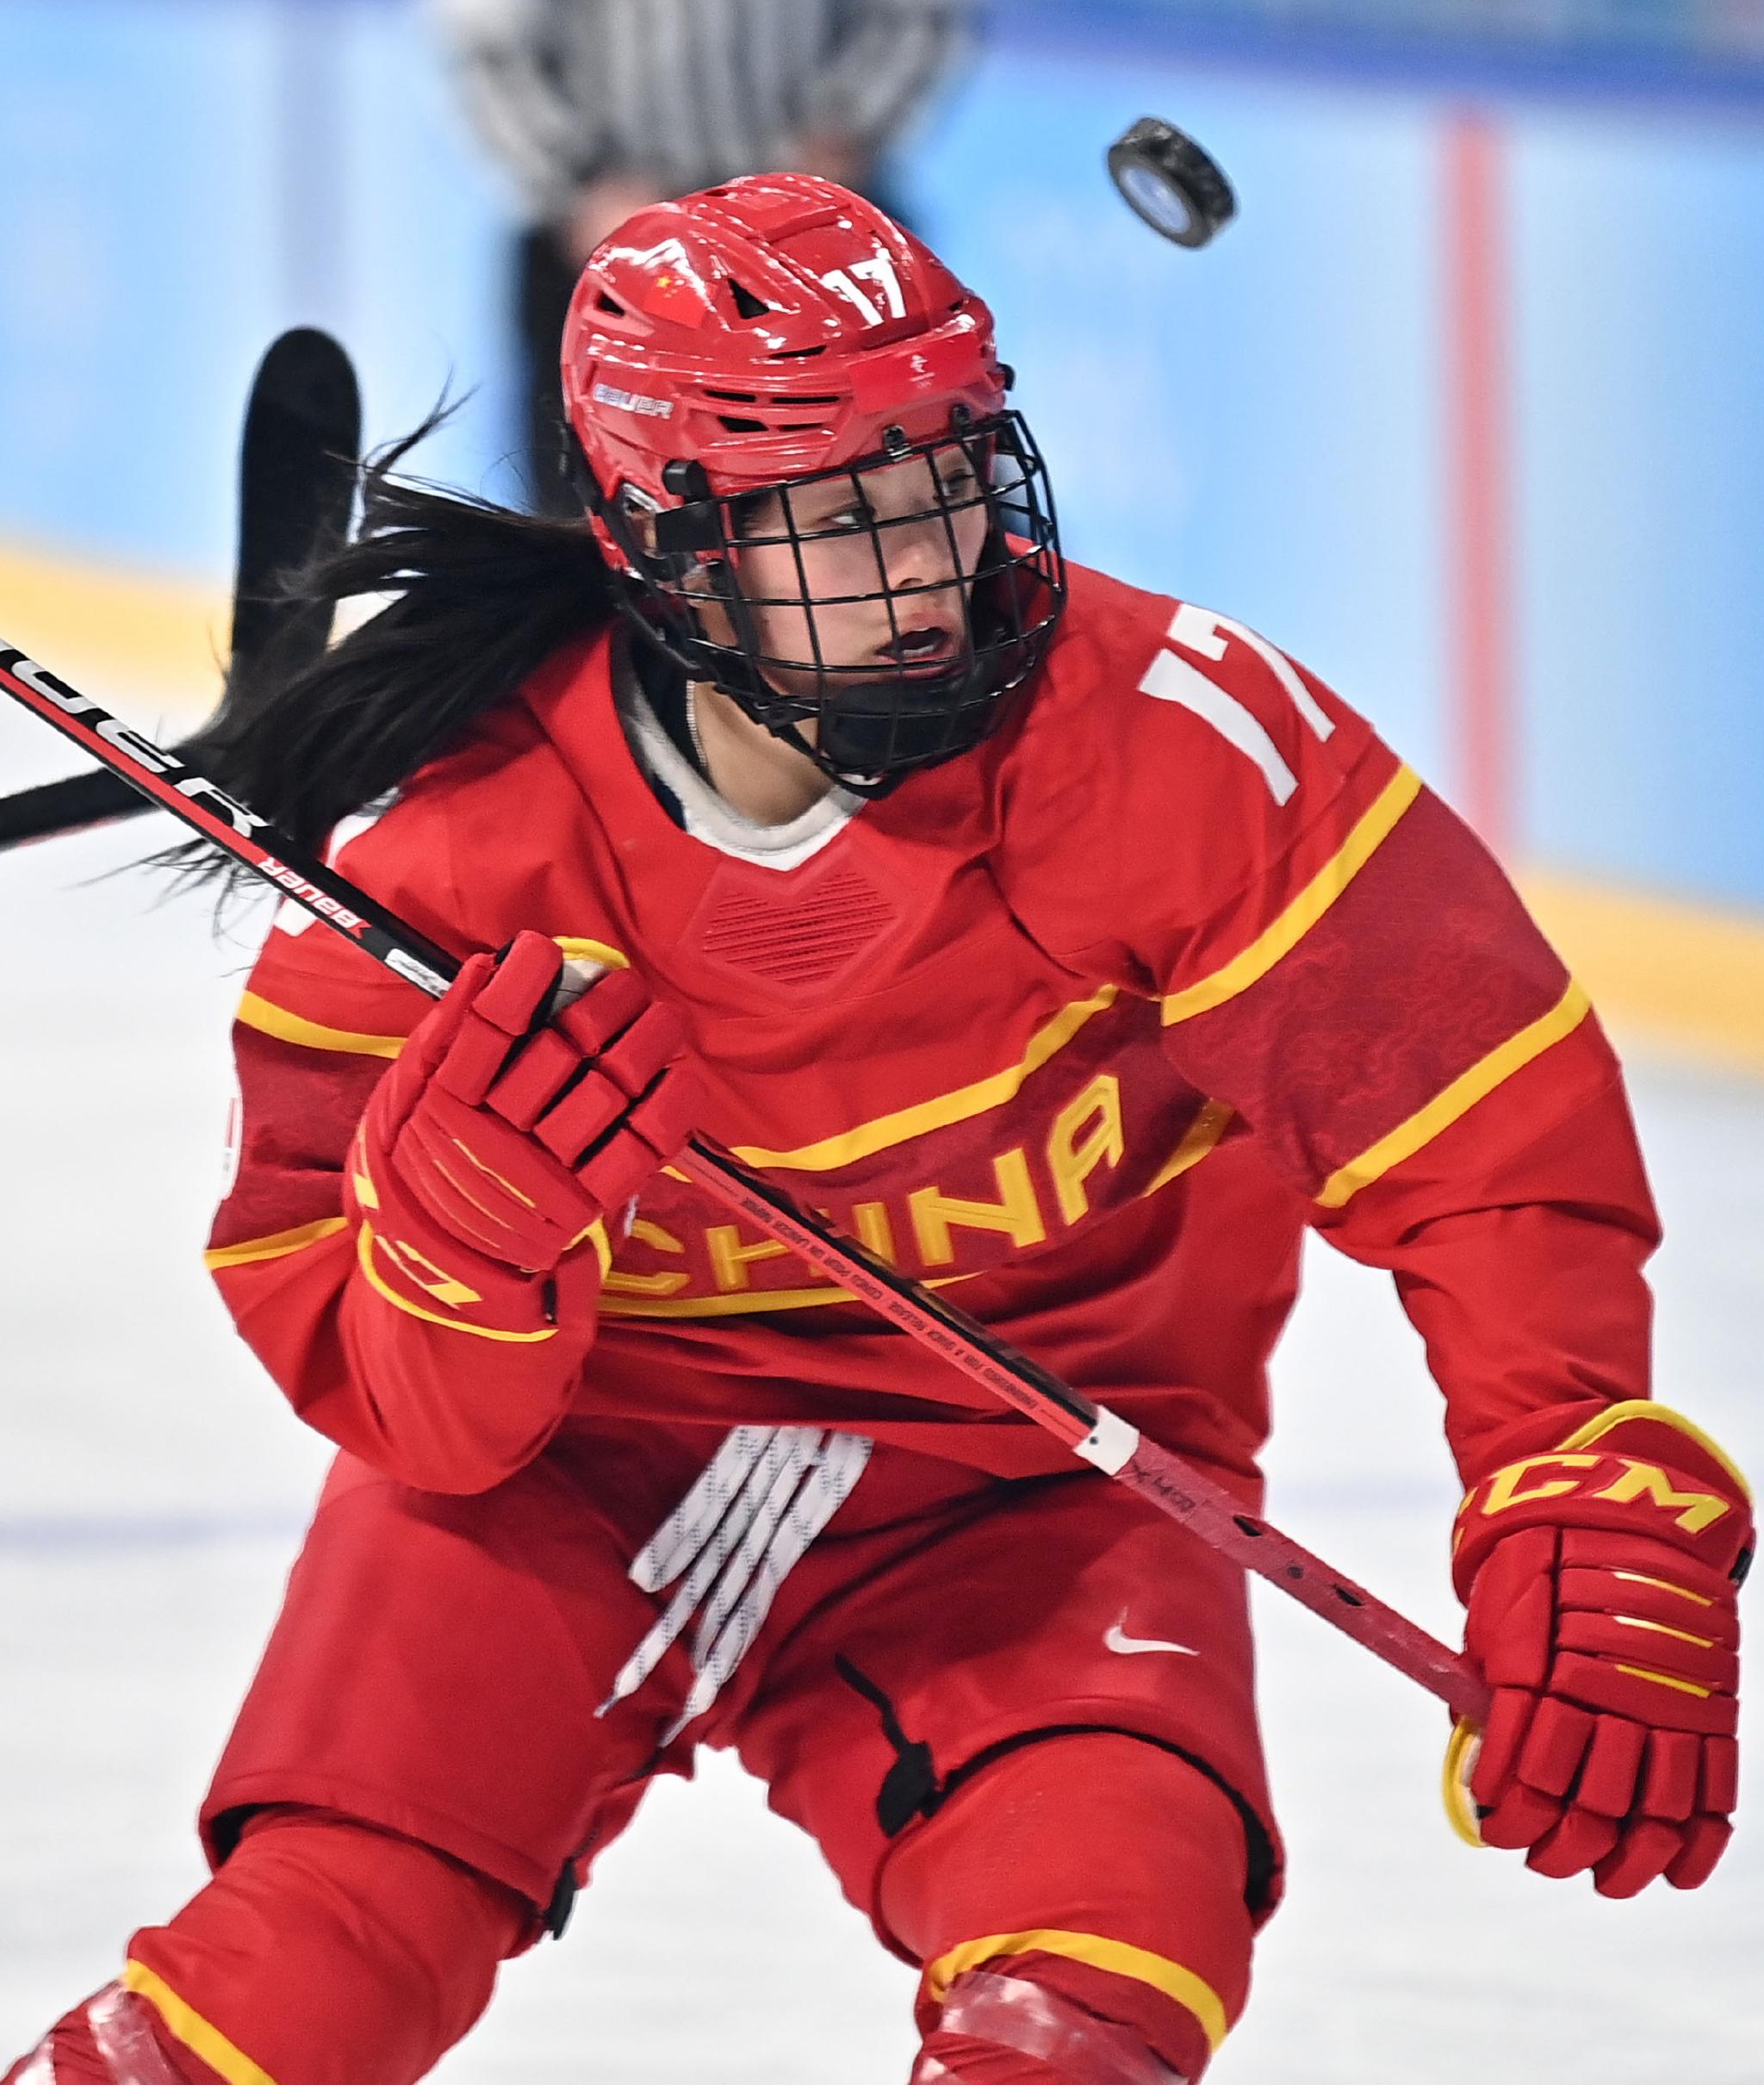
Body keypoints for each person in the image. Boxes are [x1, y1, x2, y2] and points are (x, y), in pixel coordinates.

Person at [7, 175, 1748, 2085]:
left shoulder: (1177, 746)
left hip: (1035, 1500)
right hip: (558, 1488)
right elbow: (392, 1393)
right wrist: (456, 1263)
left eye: (940, 475)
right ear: (663, 546)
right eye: (836, 514)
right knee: (275, 2003)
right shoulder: (457, 864)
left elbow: (1478, 1124)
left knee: (1087, 2002)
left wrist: (1573, 1456)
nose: (924, 560)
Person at [427, 0, 977, 515]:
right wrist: (579, 182)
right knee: (588, 538)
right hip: (615, 255)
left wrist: (844, 133)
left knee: (902, 502)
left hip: (825, 246)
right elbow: (483, 13)